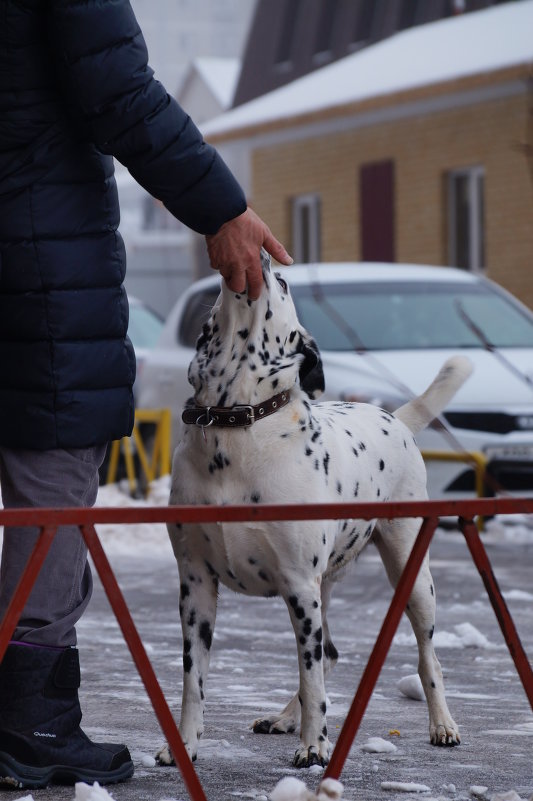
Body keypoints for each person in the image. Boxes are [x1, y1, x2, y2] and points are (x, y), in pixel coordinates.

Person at [0, 0, 291, 790]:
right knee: (49, 494)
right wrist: (221, 206)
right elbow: (118, 90)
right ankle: (32, 724)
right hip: (36, 262)